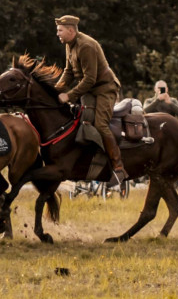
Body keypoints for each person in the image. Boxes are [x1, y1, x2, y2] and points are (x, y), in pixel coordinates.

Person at [53, 14, 125, 180]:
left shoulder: (86, 46)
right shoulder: (69, 43)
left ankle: (117, 165)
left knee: (100, 125)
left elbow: (90, 79)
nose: (57, 33)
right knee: (80, 120)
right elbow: (69, 71)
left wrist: (69, 95)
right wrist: (56, 90)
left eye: (60, 30)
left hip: (104, 88)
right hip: (89, 90)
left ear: (71, 30)